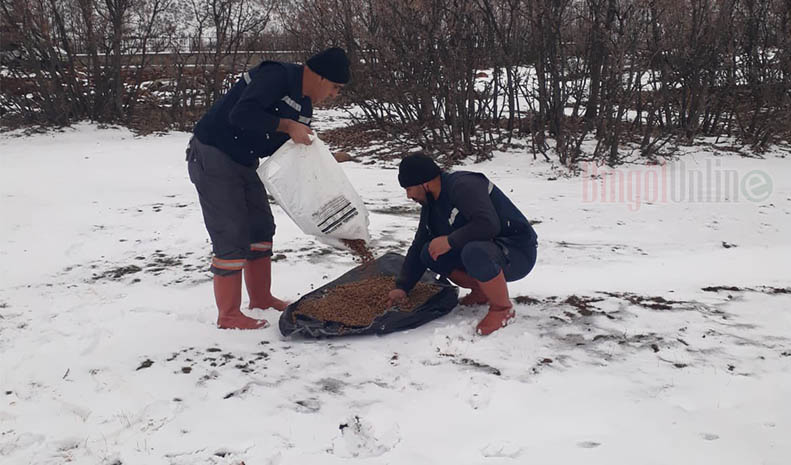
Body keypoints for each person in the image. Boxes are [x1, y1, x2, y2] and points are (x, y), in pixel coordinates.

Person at [186, 48, 350, 329]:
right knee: (232, 230)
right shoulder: (277, 76)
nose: (335, 94)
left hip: (245, 159)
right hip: (213, 151)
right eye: (335, 87)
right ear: (321, 77)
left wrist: (318, 164)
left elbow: (287, 149)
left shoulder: (304, 107)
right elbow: (242, 114)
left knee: (261, 226)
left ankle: (261, 298)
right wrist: (287, 126)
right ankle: (228, 314)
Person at [387, 153, 538, 335]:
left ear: (424, 182)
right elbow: (419, 243)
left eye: (409, 188)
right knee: (429, 251)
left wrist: (450, 241)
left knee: (473, 251)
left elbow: (488, 224)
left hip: (517, 251)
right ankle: (481, 291)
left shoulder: (464, 185)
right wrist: (402, 287)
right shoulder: (431, 204)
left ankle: (502, 309)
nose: (408, 195)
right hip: (488, 249)